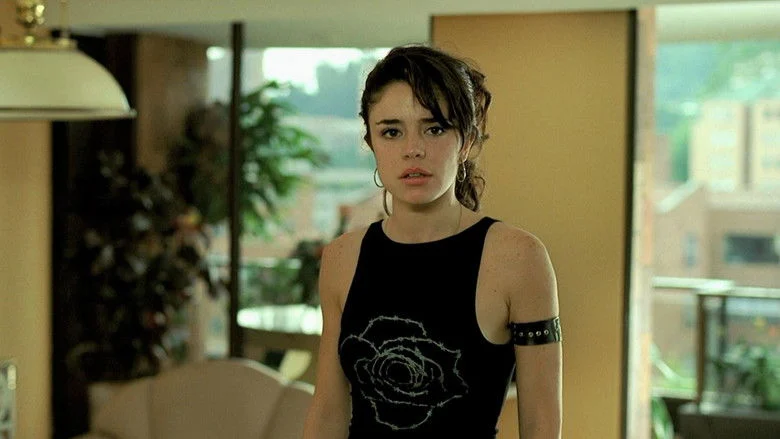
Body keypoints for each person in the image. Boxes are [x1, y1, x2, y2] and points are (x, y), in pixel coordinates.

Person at [303, 44, 562, 439]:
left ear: (467, 141)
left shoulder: (518, 257)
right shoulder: (342, 257)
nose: (413, 149)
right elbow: (327, 414)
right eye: (391, 131)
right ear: (371, 143)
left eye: (435, 128)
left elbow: (542, 426)